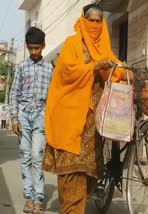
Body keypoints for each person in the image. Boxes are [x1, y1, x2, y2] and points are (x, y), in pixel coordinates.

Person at [42, 4, 133, 213]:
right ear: (83, 20)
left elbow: (116, 69)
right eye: (91, 20)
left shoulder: (104, 48)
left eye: (98, 20)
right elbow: (67, 71)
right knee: (71, 171)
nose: (94, 24)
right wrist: (93, 66)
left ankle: (78, 207)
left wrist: (129, 74)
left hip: (92, 123)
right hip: (70, 117)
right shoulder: (72, 44)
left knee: (90, 173)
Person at [9, 27, 53, 214]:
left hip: (41, 115)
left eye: (37, 48)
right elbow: (14, 94)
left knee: (37, 155)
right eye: (31, 48)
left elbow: (53, 97)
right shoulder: (21, 67)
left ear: (43, 46)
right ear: (27, 47)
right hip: (23, 116)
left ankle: (39, 199)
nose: (34, 52)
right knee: (25, 156)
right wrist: (14, 118)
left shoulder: (50, 68)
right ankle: (29, 197)